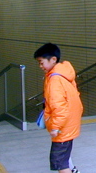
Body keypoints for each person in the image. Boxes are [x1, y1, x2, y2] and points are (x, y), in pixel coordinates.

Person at [34, 43, 83, 172]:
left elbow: (59, 107)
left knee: (59, 162)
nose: (40, 66)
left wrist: (55, 127)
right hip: (69, 124)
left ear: (53, 59)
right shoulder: (64, 74)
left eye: (41, 62)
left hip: (62, 128)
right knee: (65, 157)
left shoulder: (55, 80)